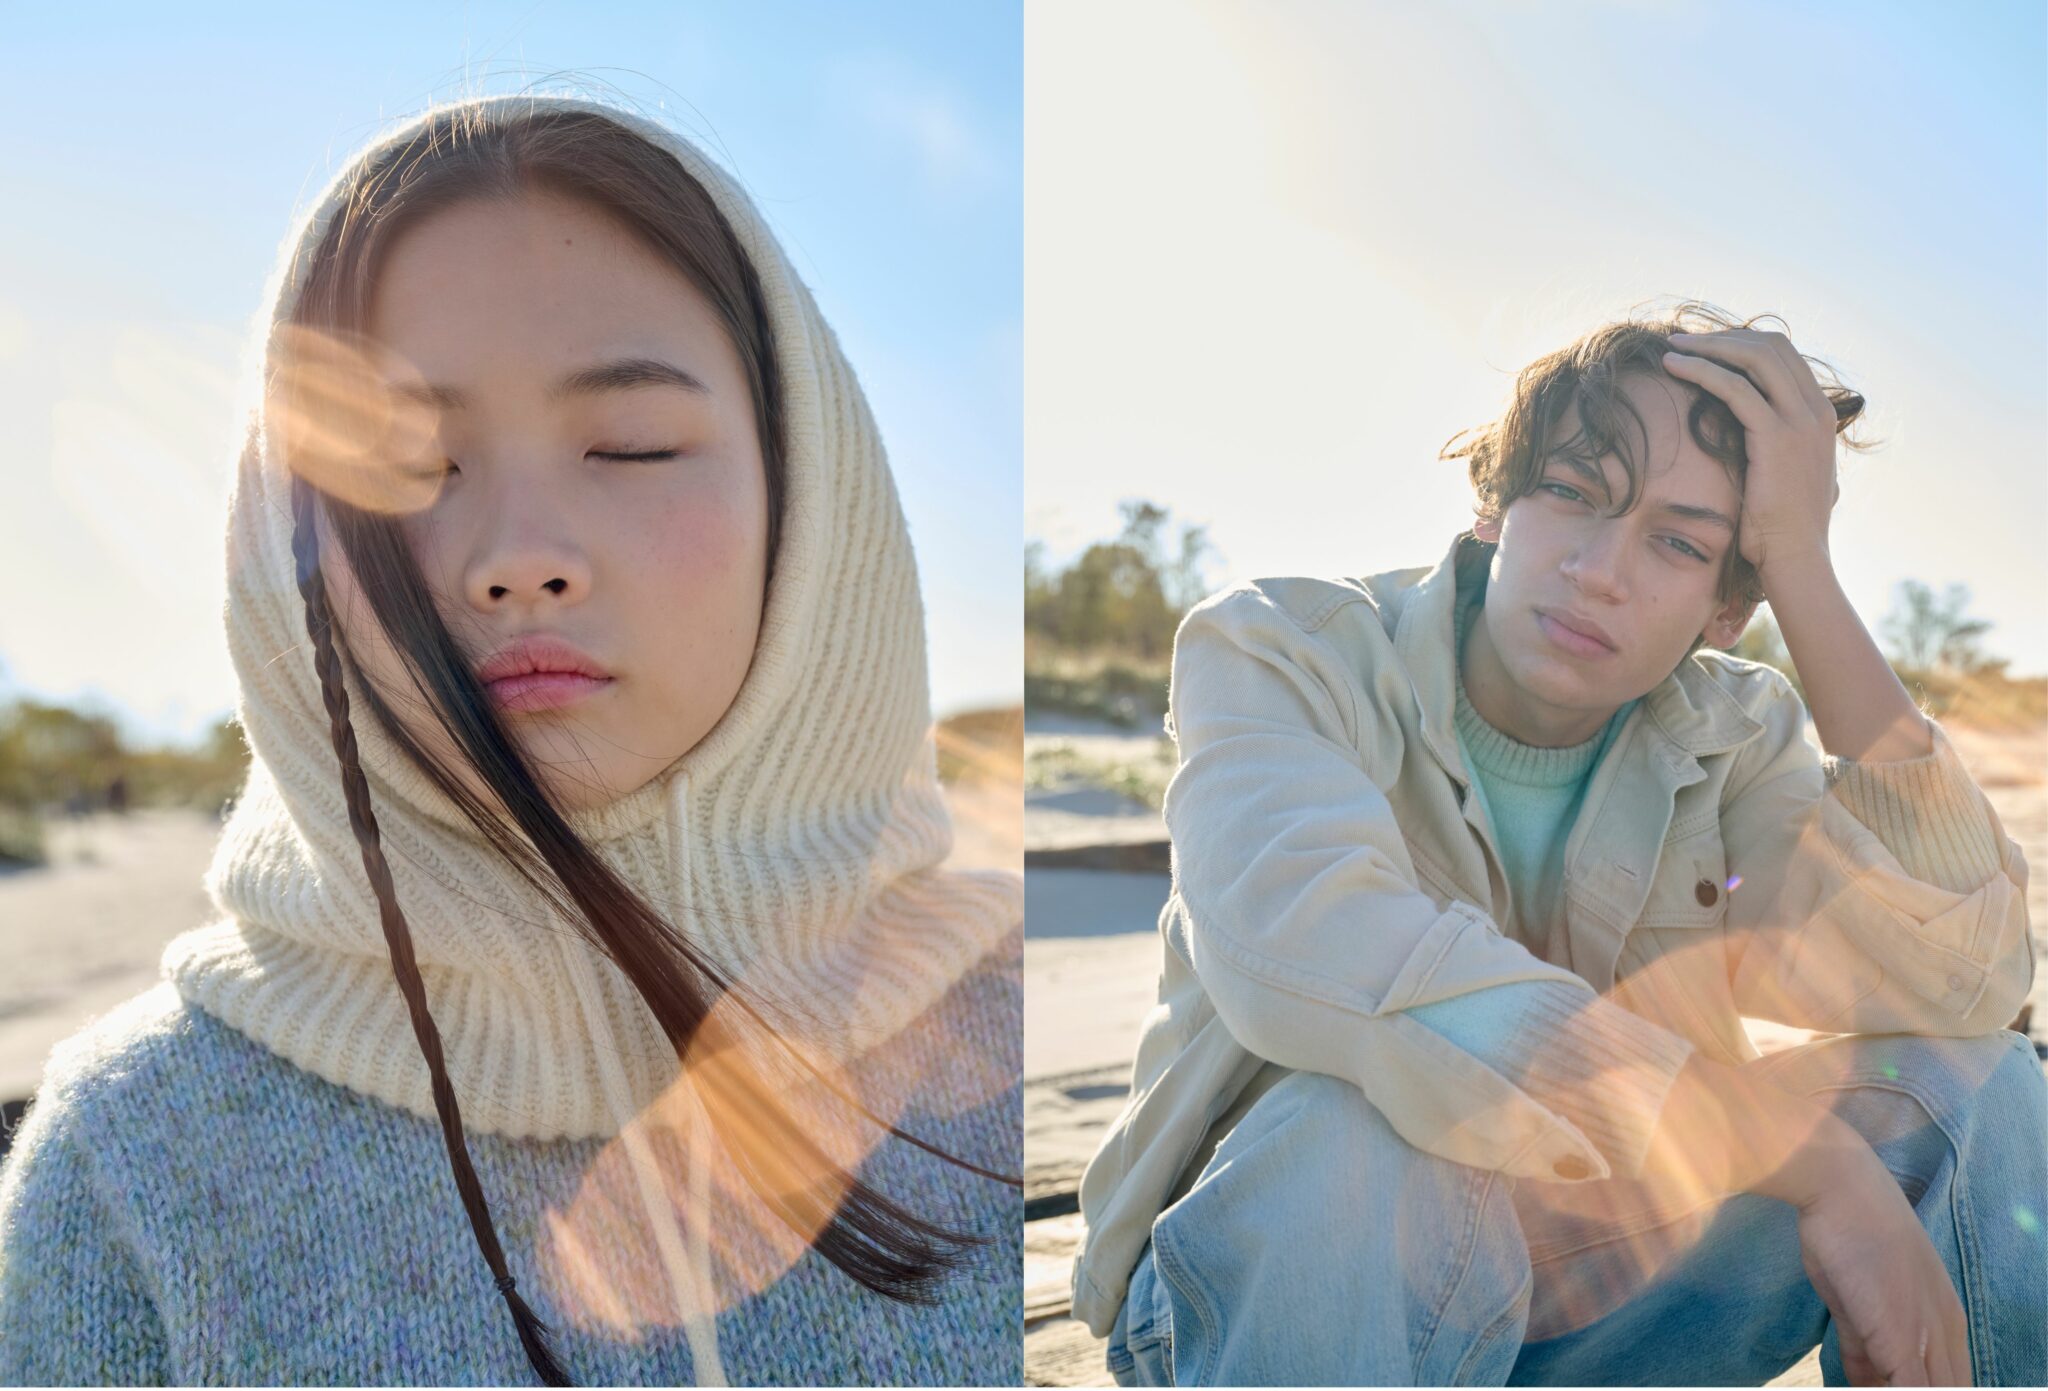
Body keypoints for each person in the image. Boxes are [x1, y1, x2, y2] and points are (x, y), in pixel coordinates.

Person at [0, 90, 1023, 1386]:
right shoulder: (140, 1158)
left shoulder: (1011, 1022)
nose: (520, 558)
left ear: (813, 497)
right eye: (408, 469)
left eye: (631, 445)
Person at [1072, 303, 2043, 1386]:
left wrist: (1802, 567)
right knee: (1345, 1128)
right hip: (1278, 1304)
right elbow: (1324, 953)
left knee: (1984, 1085)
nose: (1596, 568)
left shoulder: (1733, 737)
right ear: (1495, 505)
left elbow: (1964, 983)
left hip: (1587, 1292)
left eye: (1678, 541)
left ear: (1728, 606)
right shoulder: (1281, 650)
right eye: (1573, 494)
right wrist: (1809, 1161)